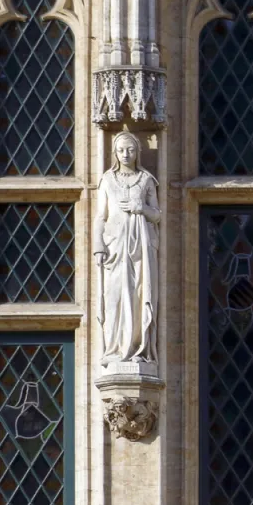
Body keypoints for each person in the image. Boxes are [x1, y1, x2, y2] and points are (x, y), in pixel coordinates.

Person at [95, 132, 160, 365]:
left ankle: (137, 350)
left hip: (141, 248)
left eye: (130, 150)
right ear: (114, 152)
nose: (125, 154)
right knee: (113, 297)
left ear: (137, 152)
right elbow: (100, 217)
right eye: (121, 150)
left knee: (138, 294)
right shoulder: (107, 180)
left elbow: (157, 214)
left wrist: (140, 207)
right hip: (114, 246)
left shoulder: (146, 180)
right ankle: (113, 350)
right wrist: (98, 246)